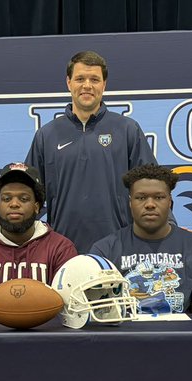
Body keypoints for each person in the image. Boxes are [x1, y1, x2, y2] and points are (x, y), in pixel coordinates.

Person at [25, 50, 156, 252]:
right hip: (62, 250)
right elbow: (27, 193)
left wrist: (170, 228)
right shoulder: (47, 135)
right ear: (69, 83)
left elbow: (152, 186)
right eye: (80, 79)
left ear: (104, 85)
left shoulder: (127, 129)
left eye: (94, 79)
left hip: (120, 248)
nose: (87, 85)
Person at [90, 164, 192, 315]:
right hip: (125, 336)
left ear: (170, 202)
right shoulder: (104, 250)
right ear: (130, 203)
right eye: (141, 198)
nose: (150, 204)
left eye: (159, 197)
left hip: (180, 336)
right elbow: (99, 312)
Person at [0, 163, 78, 315]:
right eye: (7, 198)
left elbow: (69, 304)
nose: (14, 204)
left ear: (37, 206)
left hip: (46, 336)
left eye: (24, 198)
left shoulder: (61, 248)